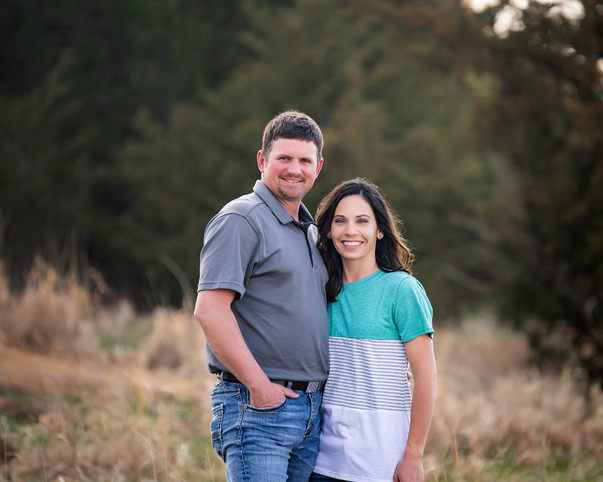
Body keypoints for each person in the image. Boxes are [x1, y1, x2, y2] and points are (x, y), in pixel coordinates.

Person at [193, 111, 329, 482]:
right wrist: (259, 386)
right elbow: (210, 310)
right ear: (262, 160)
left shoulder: (313, 231)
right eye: (283, 158)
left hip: (312, 412)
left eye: (304, 161)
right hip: (259, 410)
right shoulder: (242, 219)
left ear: (318, 167)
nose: (294, 169)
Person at [310, 178, 437, 482]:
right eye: (340, 221)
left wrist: (413, 456)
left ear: (380, 230)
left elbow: (426, 376)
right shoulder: (319, 290)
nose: (350, 231)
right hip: (321, 464)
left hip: (382, 465)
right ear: (328, 230)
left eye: (362, 221)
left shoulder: (402, 290)